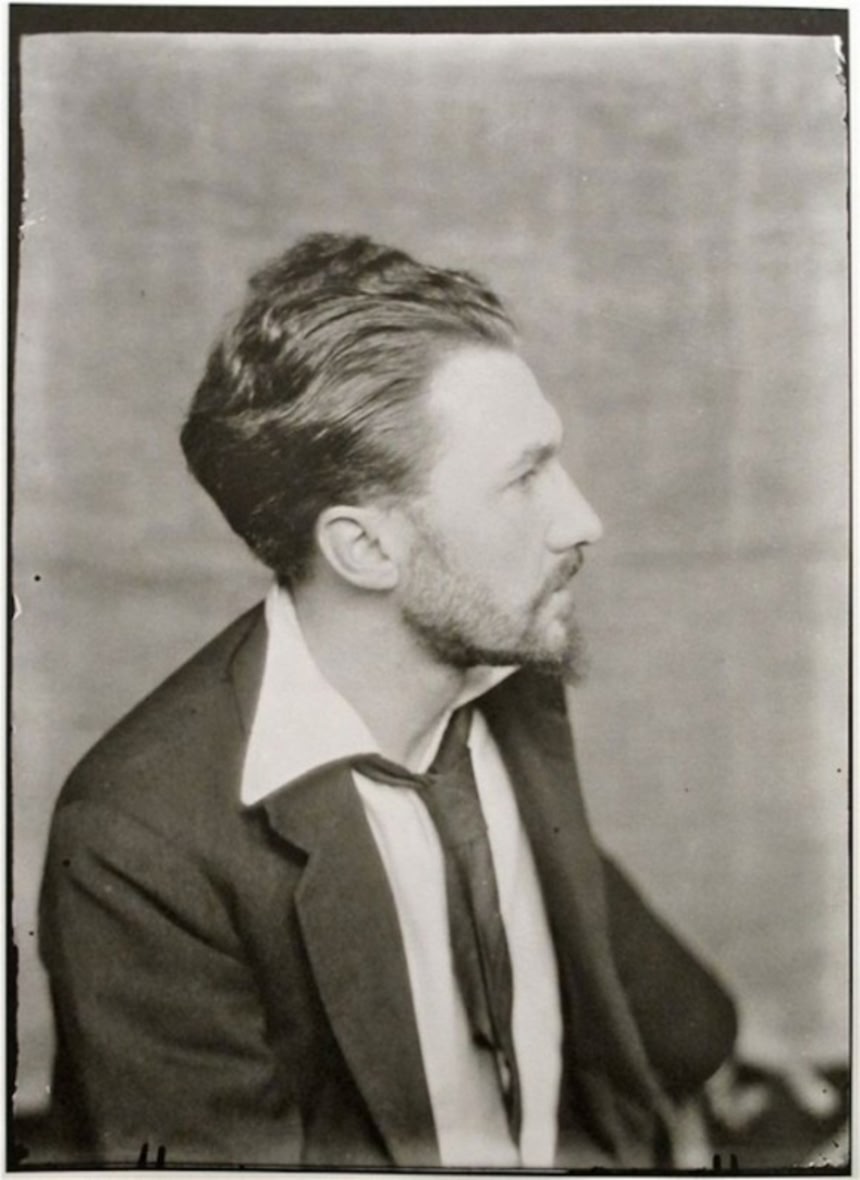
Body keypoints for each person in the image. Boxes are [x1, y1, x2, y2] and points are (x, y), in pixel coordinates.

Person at [38, 233, 737, 1169]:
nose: (582, 520)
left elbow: (635, 980)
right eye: (523, 478)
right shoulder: (139, 849)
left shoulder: (499, 668)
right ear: (365, 550)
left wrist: (712, 1066)